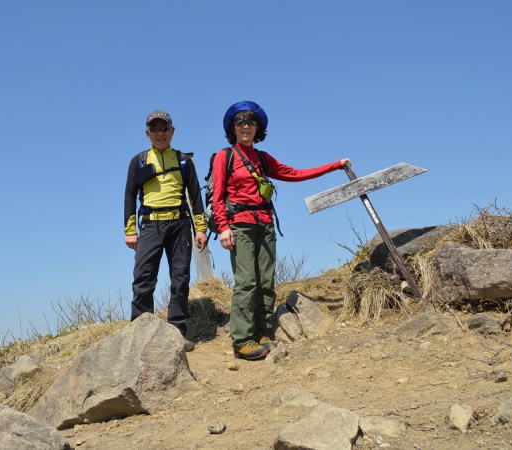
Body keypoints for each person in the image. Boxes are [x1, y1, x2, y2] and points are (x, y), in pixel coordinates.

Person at [211, 101, 350, 360]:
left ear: (257, 127)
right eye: (240, 122)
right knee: (247, 283)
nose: (245, 126)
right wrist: (223, 228)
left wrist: (335, 165)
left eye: (250, 122)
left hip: (265, 223)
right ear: (233, 127)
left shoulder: (263, 158)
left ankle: (263, 334)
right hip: (240, 225)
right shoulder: (224, 156)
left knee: (265, 281)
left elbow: (295, 173)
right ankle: (242, 341)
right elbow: (217, 196)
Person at [124, 110, 208, 351]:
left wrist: (200, 229)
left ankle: (178, 331)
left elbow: (195, 196)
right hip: (150, 224)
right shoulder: (138, 160)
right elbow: (129, 196)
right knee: (143, 278)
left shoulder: (184, 161)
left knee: (180, 278)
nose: (160, 133)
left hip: (180, 223)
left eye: (164, 129)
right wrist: (130, 231)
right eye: (155, 129)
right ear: (147, 133)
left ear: (172, 131)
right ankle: (141, 332)